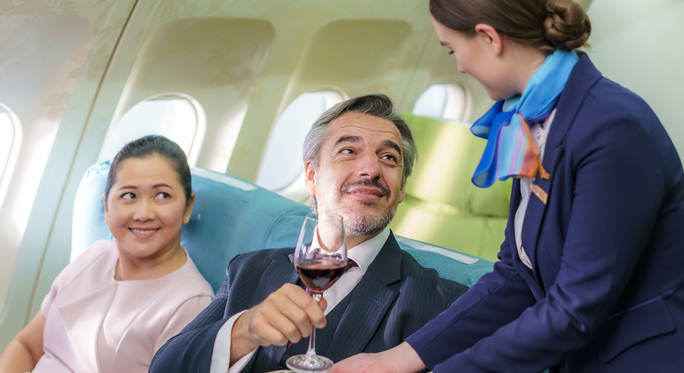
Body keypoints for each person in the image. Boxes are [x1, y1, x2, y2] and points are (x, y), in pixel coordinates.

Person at [333, 0, 684, 373]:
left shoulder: (613, 128)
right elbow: (516, 276)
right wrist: (393, 361)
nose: (461, 68)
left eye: (453, 50)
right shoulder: (528, 120)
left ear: (488, 37)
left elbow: (574, 310)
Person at [149, 94, 467, 373]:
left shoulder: (445, 304)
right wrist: (244, 332)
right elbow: (165, 367)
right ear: (311, 176)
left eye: (389, 157)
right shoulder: (250, 269)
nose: (371, 169)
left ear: (400, 190)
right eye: (348, 151)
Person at [0, 135, 214, 373]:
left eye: (162, 195)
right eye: (129, 195)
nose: (143, 213)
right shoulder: (93, 256)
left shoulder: (192, 305)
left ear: (188, 207)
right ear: (106, 206)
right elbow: (27, 346)